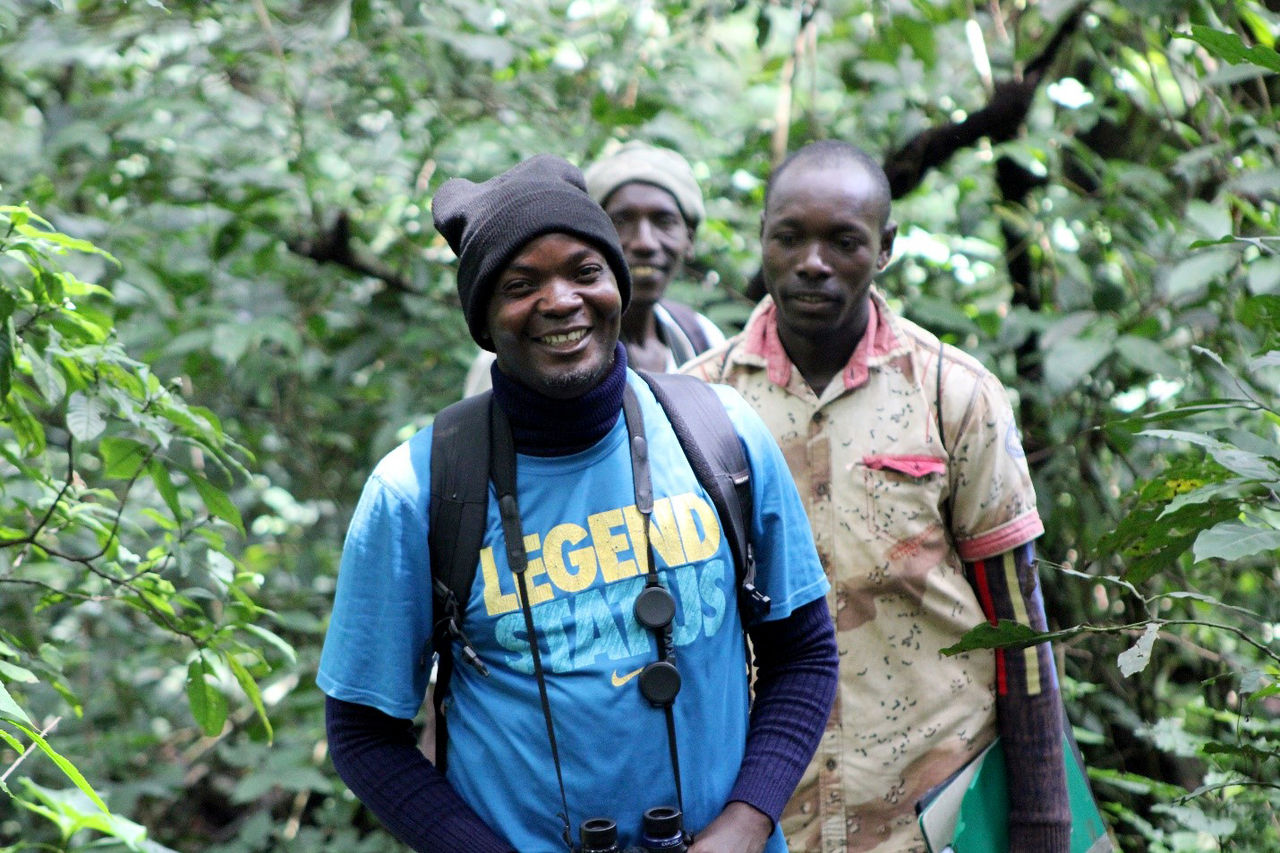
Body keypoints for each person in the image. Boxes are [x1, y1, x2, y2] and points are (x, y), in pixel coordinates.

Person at [318, 154, 839, 853]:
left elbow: (801, 653)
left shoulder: (721, 432)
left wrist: (746, 822)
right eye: (520, 283)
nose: (561, 301)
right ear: (483, 315)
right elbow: (362, 730)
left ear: (616, 285)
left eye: (585, 272)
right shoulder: (417, 489)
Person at [682, 140, 1071, 852]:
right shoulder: (693, 404)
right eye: (790, 236)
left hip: (936, 816)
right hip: (765, 818)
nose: (813, 262)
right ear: (761, 235)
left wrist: (1043, 823)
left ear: (885, 247)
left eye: (844, 241)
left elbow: (1020, 623)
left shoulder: (953, 395)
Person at [462, 141, 723, 396]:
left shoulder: (702, 338)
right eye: (621, 220)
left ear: (689, 239)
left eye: (663, 221)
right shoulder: (516, 356)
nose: (645, 243)